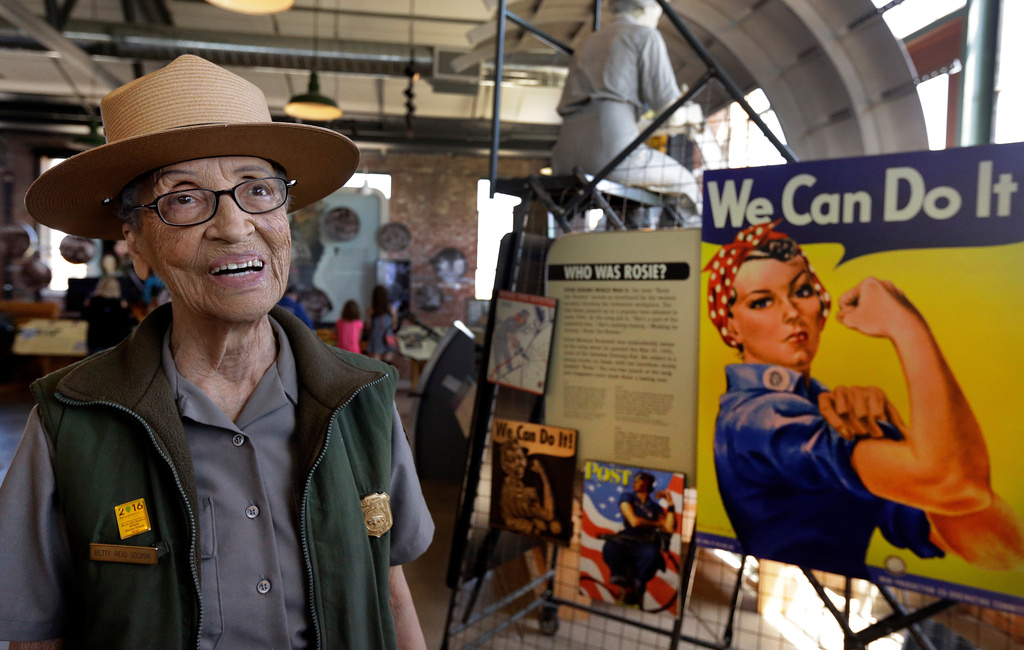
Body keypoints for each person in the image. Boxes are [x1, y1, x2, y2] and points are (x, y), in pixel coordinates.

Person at [0, 54, 434, 649]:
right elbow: (36, 638)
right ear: (136, 243)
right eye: (183, 198)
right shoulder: (70, 418)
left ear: (285, 218)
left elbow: (391, 595)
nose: (234, 226)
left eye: (258, 190)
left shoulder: (364, 399)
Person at [705, 220, 1024, 578]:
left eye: (802, 291)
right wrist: (907, 327)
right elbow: (952, 483)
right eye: (762, 302)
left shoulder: (819, 405)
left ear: (820, 304)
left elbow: (1001, 549)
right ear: (731, 327)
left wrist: (897, 435)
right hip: (796, 588)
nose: (792, 312)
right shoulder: (758, 418)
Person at [551, 0, 700, 207]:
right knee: (685, 182)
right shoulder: (645, 36)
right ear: (647, 8)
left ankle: (633, 224)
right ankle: (683, 230)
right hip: (610, 156)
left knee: (630, 203)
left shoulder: (586, 43)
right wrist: (693, 114)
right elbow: (670, 112)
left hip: (565, 157)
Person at [602, 472, 677, 605]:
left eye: (641, 479)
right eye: (635, 479)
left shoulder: (655, 508)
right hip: (625, 539)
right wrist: (657, 523)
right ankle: (622, 581)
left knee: (651, 554)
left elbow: (668, 528)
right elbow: (634, 522)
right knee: (610, 546)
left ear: (648, 483)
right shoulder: (628, 497)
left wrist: (670, 503)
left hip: (645, 543)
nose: (636, 481)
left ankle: (636, 587)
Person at [81, 275, 136, 355]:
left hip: (96, 342)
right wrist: (126, 309)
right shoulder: (120, 304)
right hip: (115, 342)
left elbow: (84, 317)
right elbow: (128, 322)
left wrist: (85, 307)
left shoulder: (92, 301)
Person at [366, 285, 398, 362]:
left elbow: (368, 326)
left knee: (375, 364)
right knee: (387, 363)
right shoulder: (391, 309)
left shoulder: (371, 310)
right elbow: (394, 326)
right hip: (387, 338)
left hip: (375, 340)